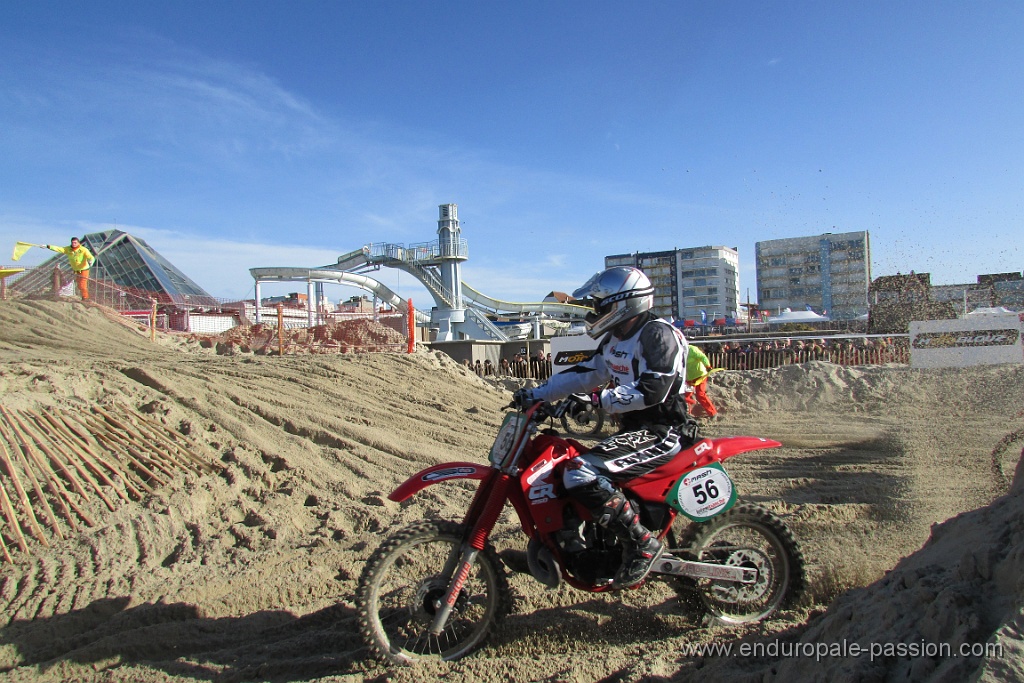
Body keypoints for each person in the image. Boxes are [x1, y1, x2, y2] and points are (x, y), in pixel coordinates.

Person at [512, 266, 699, 589]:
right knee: (560, 468)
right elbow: (587, 372)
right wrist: (537, 394)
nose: (595, 312)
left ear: (624, 304)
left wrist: (597, 400)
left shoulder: (657, 334)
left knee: (580, 472)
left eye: (600, 305)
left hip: (663, 431)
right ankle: (572, 544)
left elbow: (653, 389)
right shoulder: (616, 339)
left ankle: (641, 544)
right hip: (634, 431)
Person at [684, 343, 718, 418]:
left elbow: (703, 357)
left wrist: (708, 366)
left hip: (700, 376)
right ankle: (687, 415)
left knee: (700, 395)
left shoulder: (692, 349)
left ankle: (713, 413)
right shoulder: (677, 351)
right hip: (689, 378)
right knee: (685, 396)